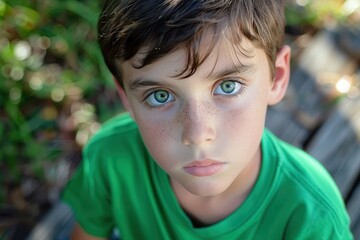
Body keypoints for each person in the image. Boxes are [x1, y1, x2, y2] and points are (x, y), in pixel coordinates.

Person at [62, 0, 353, 239]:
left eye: (228, 86)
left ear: (276, 77)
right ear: (127, 98)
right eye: (160, 96)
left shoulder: (311, 213)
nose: (198, 134)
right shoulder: (112, 158)